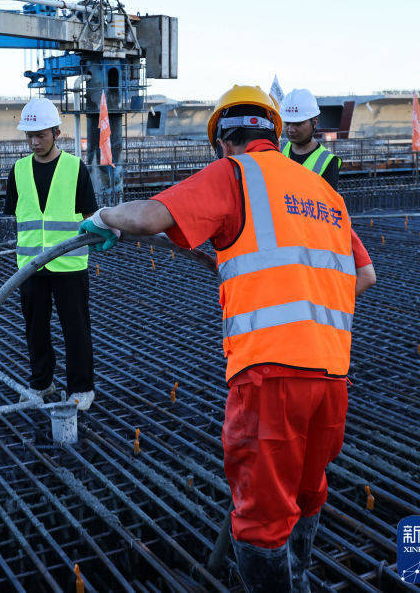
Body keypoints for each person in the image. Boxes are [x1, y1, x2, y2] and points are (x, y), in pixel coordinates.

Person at [81, 85, 376, 592]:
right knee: (307, 494)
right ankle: (300, 578)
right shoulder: (322, 191)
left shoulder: (236, 174)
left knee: (261, 519)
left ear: (224, 141)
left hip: (270, 377)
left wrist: (103, 218)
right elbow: (363, 275)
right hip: (332, 377)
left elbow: (151, 216)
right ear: (274, 132)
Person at [4, 98, 98, 410]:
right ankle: (42, 383)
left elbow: (90, 214)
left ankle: (82, 388)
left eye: (40, 135)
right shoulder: (18, 171)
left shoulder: (75, 168)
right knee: (36, 330)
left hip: (69, 266)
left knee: (76, 328)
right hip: (31, 267)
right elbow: (18, 217)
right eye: (29, 135)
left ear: (56, 133)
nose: (33, 142)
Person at [281, 88, 342, 189]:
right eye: (287, 123)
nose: (291, 129)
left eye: (298, 124)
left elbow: (328, 202)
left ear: (315, 122)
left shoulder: (328, 161)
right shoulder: (278, 151)